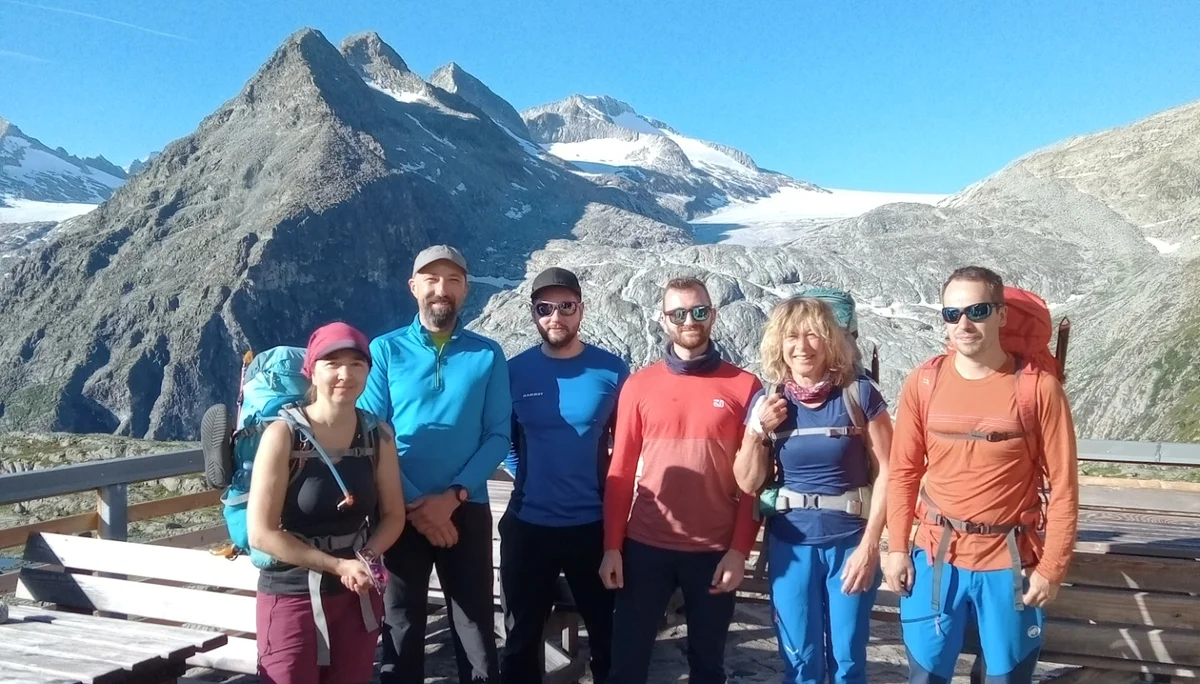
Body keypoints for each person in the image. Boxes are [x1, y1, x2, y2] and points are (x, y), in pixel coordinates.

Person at [884, 266, 1079, 684]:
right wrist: (897, 547)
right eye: (952, 314)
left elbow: (1064, 487)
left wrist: (1052, 568)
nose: (964, 324)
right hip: (934, 557)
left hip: (1009, 560)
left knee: (1005, 677)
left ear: (1001, 314)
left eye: (977, 311)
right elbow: (903, 472)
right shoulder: (923, 383)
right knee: (925, 676)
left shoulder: (1039, 389)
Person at [358, 245, 512, 684]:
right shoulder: (385, 351)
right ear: (414, 287)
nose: (441, 289)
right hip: (397, 511)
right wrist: (416, 506)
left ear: (465, 290)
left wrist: (452, 497)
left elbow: (498, 436)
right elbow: (373, 433)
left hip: (466, 507)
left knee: (475, 622)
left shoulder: (488, 354)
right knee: (401, 622)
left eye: (452, 280)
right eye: (431, 279)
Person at [600, 276, 762, 684]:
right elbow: (621, 471)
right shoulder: (638, 385)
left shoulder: (746, 386)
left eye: (698, 311)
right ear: (663, 320)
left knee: (708, 666)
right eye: (678, 313)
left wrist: (739, 551)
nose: (689, 320)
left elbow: (754, 479)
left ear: (713, 315)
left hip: (713, 551)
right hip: (645, 546)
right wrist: (612, 547)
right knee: (626, 665)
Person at [733, 295, 893, 684]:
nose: (801, 347)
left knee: (847, 661)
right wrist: (757, 431)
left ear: (831, 341)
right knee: (800, 660)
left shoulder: (859, 395)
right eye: (791, 336)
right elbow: (747, 482)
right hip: (791, 546)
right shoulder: (769, 399)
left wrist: (870, 548)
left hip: (849, 546)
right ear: (779, 343)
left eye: (812, 335)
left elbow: (889, 471)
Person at [247, 321, 407, 684]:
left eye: (356, 364)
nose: (345, 375)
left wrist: (365, 559)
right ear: (312, 371)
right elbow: (261, 533)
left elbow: (393, 515)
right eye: (332, 363)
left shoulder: (378, 436)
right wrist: (338, 566)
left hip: (356, 594)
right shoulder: (283, 436)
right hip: (291, 594)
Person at [499, 267, 630, 684]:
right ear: (533, 314)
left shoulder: (612, 371)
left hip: (592, 527)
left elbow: (626, 445)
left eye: (566, 307)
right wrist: (526, 478)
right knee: (520, 640)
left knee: (609, 638)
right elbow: (503, 437)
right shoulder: (514, 371)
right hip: (528, 526)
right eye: (545, 308)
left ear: (581, 311)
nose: (556, 317)